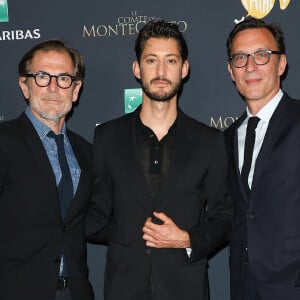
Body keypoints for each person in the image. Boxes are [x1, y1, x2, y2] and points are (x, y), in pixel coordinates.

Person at [87, 20, 232, 300]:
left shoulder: (210, 141)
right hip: (123, 288)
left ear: (184, 68)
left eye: (171, 60)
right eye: (151, 60)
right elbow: (97, 214)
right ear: (137, 69)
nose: (162, 71)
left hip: (185, 288)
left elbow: (224, 216)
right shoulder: (107, 136)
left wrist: (188, 239)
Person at [0, 39, 94, 300]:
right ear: (24, 85)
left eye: (63, 78)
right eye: (42, 76)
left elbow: (93, 221)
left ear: (75, 90)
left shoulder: (86, 152)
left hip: (74, 292)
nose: (53, 87)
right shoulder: (4, 141)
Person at [225, 17, 300, 300]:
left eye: (261, 55)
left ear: (281, 64)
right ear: (231, 71)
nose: (251, 66)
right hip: (244, 287)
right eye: (240, 58)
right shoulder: (227, 138)